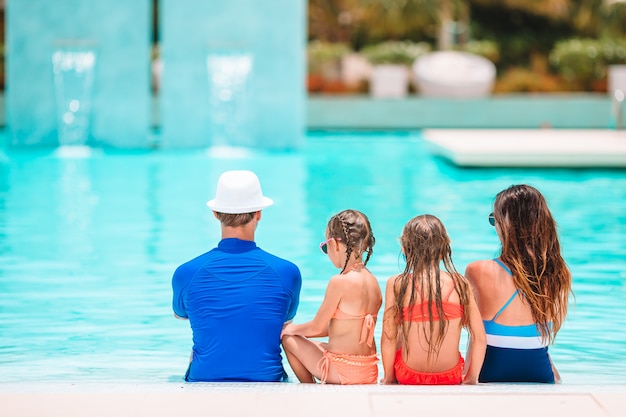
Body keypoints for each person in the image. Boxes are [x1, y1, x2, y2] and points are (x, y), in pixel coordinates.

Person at [171, 170, 302, 382]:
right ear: (259, 213)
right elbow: (284, 321)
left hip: (203, 378)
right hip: (268, 379)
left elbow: (181, 314)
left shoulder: (186, 273)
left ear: (215, 213)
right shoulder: (288, 272)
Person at [465, 184, 572, 383]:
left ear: (505, 225)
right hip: (541, 371)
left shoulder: (478, 271)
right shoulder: (558, 273)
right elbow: (540, 335)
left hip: (489, 370)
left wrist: (468, 379)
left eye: (493, 219)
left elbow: (476, 336)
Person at [381, 214, 486, 385]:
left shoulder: (397, 283)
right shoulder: (460, 284)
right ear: (444, 249)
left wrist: (389, 378)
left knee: (398, 327)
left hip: (408, 374)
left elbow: (388, 337)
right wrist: (471, 378)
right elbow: (479, 337)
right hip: (450, 375)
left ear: (406, 249)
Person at [281, 209, 382, 384]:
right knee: (315, 344)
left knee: (289, 340)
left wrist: (289, 329)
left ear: (335, 244)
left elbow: (316, 328)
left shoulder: (339, 282)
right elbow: (337, 328)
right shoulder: (373, 282)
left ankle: (309, 387)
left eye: (325, 247)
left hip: (344, 372)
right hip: (368, 371)